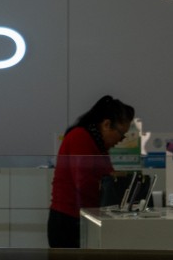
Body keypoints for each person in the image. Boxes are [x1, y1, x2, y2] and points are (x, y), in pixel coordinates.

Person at [48, 95, 135, 248]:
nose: (120, 140)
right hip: (69, 220)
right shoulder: (80, 137)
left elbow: (106, 177)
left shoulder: (98, 144)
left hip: (83, 217)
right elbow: (83, 182)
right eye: (121, 134)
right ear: (107, 124)